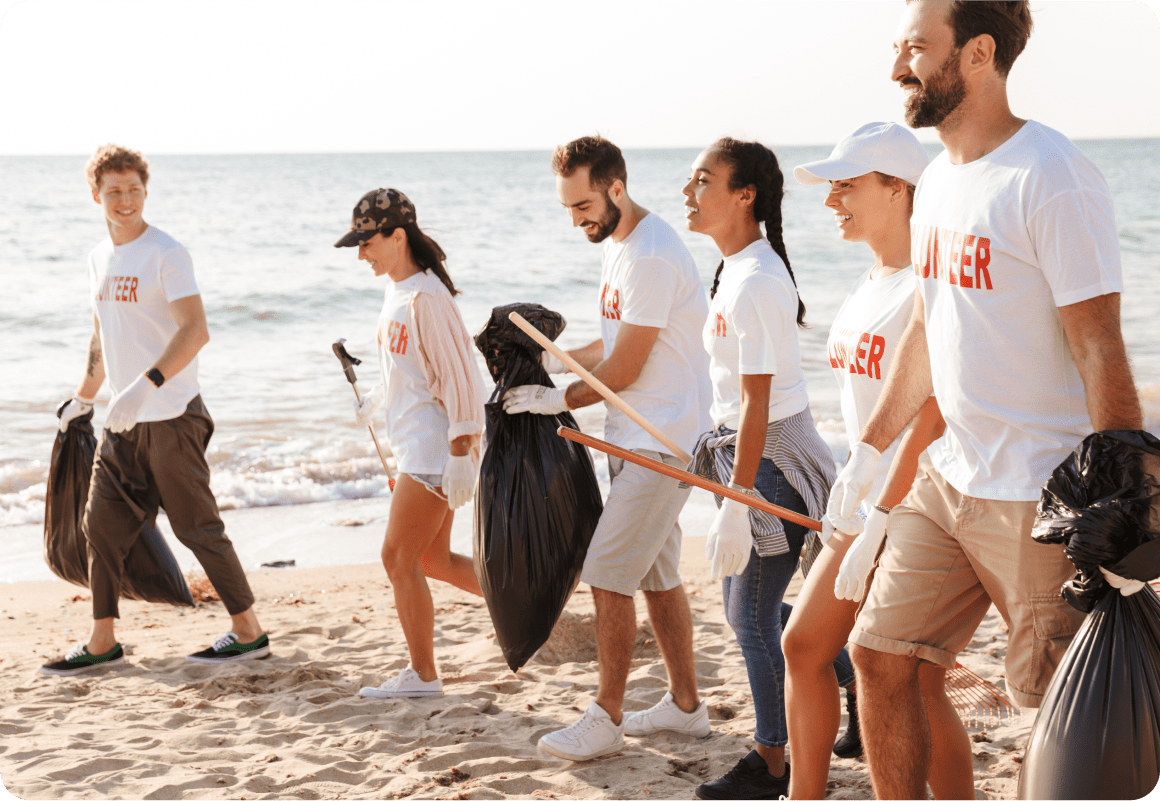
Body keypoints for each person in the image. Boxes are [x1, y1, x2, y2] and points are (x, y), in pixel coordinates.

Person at [829, 3, 1144, 798]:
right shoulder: (936, 180)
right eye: (898, 47)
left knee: (1062, 706)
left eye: (915, 48)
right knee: (879, 655)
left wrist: (1124, 492)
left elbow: (1099, 342)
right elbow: (929, 330)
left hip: (1040, 495)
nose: (898, 66)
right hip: (951, 477)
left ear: (977, 54)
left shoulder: (1052, 176)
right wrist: (868, 453)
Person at [504, 135, 713, 761]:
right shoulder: (619, 246)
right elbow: (609, 344)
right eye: (569, 208)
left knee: (606, 574)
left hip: (663, 442)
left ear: (616, 187)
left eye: (584, 204)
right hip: (633, 436)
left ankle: (607, 716)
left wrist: (558, 399)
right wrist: (549, 362)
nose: (577, 219)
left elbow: (624, 367)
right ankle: (686, 708)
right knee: (659, 575)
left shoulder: (650, 254)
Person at [782, 123, 975, 801]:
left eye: (847, 185)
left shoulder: (930, 274)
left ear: (898, 188)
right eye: (831, 186)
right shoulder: (871, 279)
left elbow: (935, 412)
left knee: (914, 677)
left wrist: (884, 511)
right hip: (864, 500)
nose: (831, 199)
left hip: (919, 502)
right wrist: (852, 492)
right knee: (804, 645)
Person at [41, 144, 268, 677]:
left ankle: (249, 631)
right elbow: (103, 332)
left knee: (197, 528)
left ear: (146, 191)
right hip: (122, 422)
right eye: (114, 191)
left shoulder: (167, 252)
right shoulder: (99, 257)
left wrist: (146, 385)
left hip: (171, 416)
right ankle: (103, 641)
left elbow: (196, 329)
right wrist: (84, 396)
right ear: (95, 193)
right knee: (99, 525)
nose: (125, 201)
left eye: (134, 191)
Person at [682, 137, 840, 801]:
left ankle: (773, 762)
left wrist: (739, 494)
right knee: (750, 609)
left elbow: (757, 402)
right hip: (749, 453)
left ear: (743, 194)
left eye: (702, 181)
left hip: (770, 459)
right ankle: (851, 675)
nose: (689, 194)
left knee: (748, 616)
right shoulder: (736, 270)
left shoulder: (756, 281)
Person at [335, 188, 486, 699]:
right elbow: (412, 369)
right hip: (418, 445)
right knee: (432, 562)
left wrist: (462, 453)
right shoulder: (398, 291)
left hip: (435, 450)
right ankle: (527, 607)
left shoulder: (427, 298)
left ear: (398, 236)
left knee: (397, 558)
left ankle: (422, 676)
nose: (361, 253)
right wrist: (376, 399)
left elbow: (460, 381)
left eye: (367, 241)